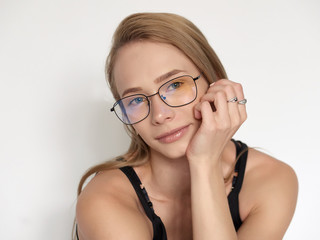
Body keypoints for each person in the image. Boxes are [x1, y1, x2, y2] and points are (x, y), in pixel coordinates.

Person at [74, 12, 298, 240]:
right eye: (137, 100)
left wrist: (204, 163)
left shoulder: (270, 180)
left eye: (175, 84)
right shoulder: (104, 199)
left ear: (215, 81)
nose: (160, 115)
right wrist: (205, 162)